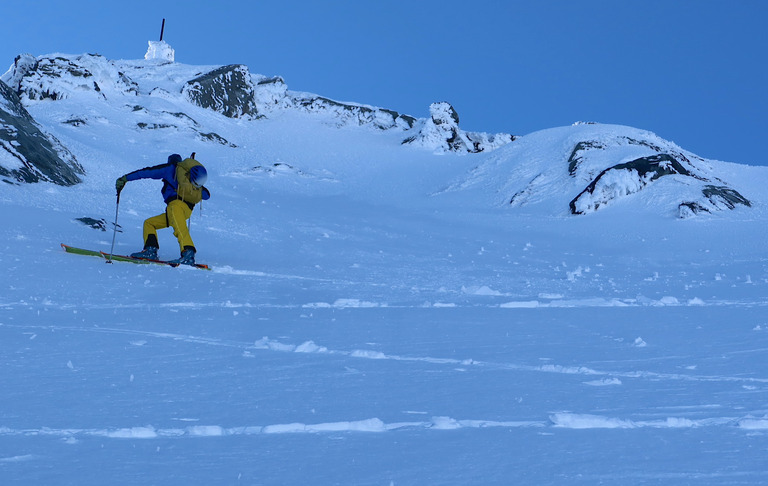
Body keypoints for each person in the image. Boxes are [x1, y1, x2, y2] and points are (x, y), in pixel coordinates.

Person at [115, 153, 210, 265]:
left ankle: (188, 254)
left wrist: (125, 178)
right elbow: (206, 195)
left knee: (180, 229)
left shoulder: (169, 169)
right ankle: (150, 250)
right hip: (186, 211)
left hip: (175, 206)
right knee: (150, 223)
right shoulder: (189, 178)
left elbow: (147, 172)